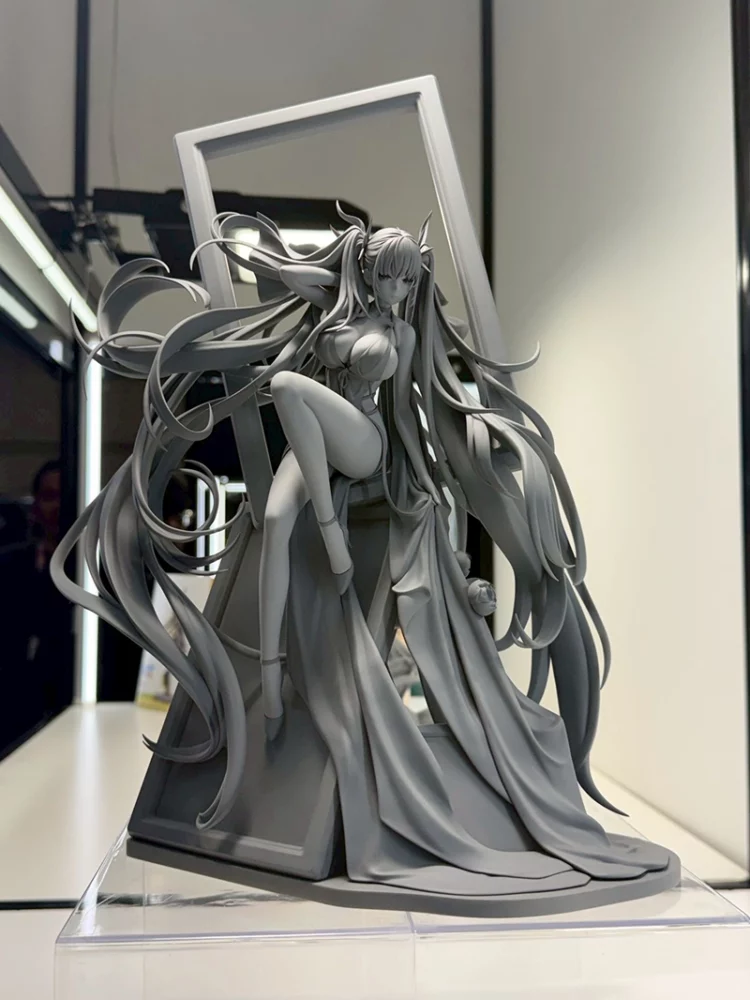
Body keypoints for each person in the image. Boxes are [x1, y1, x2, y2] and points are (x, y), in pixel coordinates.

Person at [52, 209, 671, 896]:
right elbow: (291, 333)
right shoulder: (335, 311)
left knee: (289, 395)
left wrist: (429, 492)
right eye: (387, 276)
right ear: (367, 269)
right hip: (315, 447)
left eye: (406, 280)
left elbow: (405, 414)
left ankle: (330, 531)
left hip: (363, 445)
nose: (397, 289)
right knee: (274, 520)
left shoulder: (401, 332)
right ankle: (274, 678)